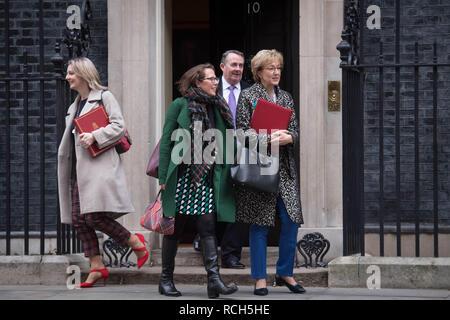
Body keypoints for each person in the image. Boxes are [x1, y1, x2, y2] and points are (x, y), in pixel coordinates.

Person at [57, 57, 149, 288]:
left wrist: (95, 136)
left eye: (71, 73)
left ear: (83, 74)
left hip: (99, 169)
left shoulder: (104, 97)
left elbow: (119, 127)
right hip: (80, 170)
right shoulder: (74, 105)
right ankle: (97, 266)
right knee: (79, 219)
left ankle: (134, 242)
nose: (67, 77)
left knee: (93, 217)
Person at [158, 63, 238, 298]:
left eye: (215, 79)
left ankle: (214, 280)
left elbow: (226, 141)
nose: (216, 82)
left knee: (208, 228)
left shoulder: (218, 107)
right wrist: (163, 177)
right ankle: (165, 280)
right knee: (174, 230)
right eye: (211, 79)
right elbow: (165, 142)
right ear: (197, 82)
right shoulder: (180, 105)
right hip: (182, 176)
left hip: (207, 177)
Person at [235, 49, 305, 296]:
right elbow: (242, 133)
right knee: (260, 224)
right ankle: (260, 279)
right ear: (259, 71)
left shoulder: (286, 97)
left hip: (285, 169)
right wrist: (268, 139)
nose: (276, 72)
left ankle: (285, 272)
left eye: (278, 68)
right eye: (270, 68)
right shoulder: (247, 96)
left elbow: (295, 129)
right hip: (260, 169)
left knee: (291, 221)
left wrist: (290, 137)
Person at [216, 50, 250, 269]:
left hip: (244, 153)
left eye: (240, 65)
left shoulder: (250, 91)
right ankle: (206, 240)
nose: (237, 69)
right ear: (222, 67)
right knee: (214, 201)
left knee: (240, 204)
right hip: (214, 152)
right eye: (233, 65)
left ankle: (230, 254)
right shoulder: (210, 87)